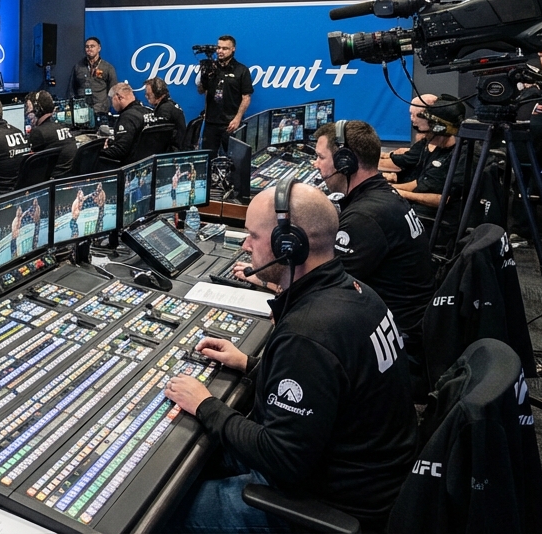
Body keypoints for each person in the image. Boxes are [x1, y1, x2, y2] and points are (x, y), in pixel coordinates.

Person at [164, 182, 417, 532]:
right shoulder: (356, 292)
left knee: (168, 510)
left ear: (289, 244)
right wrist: (251, 365)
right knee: (198, 459)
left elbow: (282, 458)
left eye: (254, 235)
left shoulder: (309, 334)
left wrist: (206, 404)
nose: (246, 244)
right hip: (366, 477)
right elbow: (325, 389)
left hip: (327, 502)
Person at [310, 120, 432, 377]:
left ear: (345, 162)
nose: (315, 164)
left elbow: (324, 288)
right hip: (404, 325)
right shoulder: (381, 195)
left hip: (396, 344)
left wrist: (270, 277)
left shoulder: (365, 217)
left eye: (320, 157)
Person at [379, 94, 463, 221]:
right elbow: (421, 183)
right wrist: (386, 186)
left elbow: (444, 199)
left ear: (439, 127)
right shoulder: (433, 147)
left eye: (427, 131)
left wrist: (397, 191)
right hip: (418, 210)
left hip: (434, 219)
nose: (423, 135)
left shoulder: (457, 156)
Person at [198, 35, 253, 156]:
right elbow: (201, 91)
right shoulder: (210, 68)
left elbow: (246, 97)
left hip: (230, 123)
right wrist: (203, 76)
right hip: (211, 123)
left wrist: (237, 118)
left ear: (233, 49)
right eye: (218, 48)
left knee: (235, 159)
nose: (220, 51)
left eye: (225, 48)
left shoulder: (241, 70)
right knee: (208, 158)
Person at [99, 82, 153, 166]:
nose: (112, 104)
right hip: (149, 163)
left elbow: (121, 150)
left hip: (132, 167)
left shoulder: (127, 117)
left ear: (119, 97)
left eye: (112, 99)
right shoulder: (148, 111)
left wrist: (100, 152)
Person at [25, 90, 76, 178]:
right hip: (68, 179)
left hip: (53, 181)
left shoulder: (38, 132)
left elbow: (33, 167)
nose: (27, 115)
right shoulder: (62, 127)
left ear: (37, 110)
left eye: (29, 111)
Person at [71, 37, 116, 123]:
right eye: (87, 47)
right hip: (81, 110)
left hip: (101, 110)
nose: (89, 49)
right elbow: (72, 88)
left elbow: (113, 91)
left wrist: (106, 106)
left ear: (99, 48)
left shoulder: (107, 68)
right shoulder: (78, 67)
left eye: (92, 46)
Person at [143, 77, 186, 152]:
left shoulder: (164, 110)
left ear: (157, 93)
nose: (146, 97)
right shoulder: (171, 104)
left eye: (148, 94)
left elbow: (161, 139)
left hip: (172, 153)